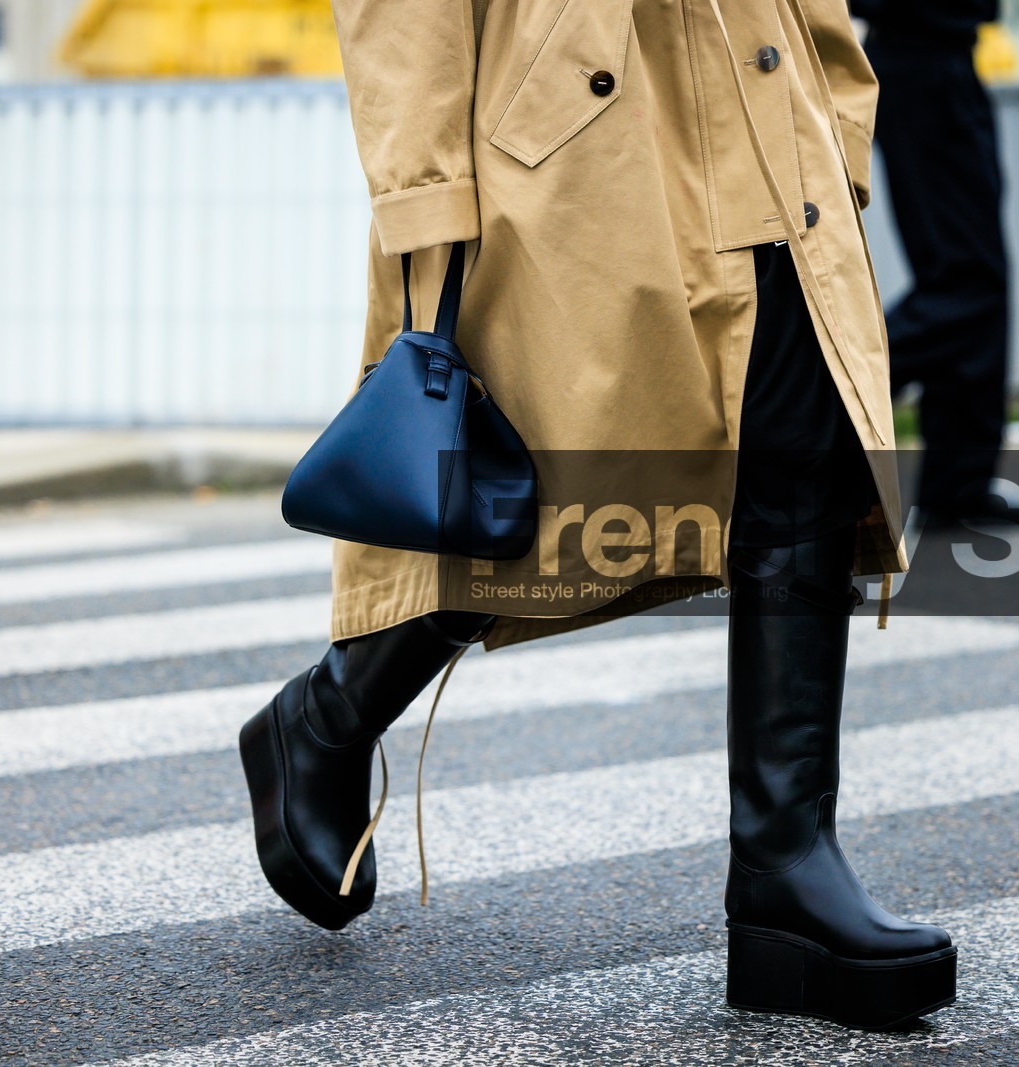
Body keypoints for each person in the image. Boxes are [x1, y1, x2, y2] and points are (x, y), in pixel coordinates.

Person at [239, 0, 955, 1030]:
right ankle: (326, 718)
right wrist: (424, 191)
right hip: (565, 118)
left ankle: (786, 869)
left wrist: (832, 106)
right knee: (523, 489)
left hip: (758, 84)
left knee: (805, 458)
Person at [855, 0, 1019, 525]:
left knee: (975, 283)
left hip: (938, 60)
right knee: (966, 281)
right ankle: (830, 400)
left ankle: (956, 487)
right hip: (922, 60)